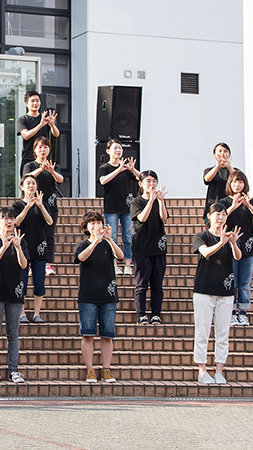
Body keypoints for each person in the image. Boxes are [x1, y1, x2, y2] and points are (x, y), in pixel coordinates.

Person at [192, 203, 242, 384]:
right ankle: (202, 370)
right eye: (217, 214)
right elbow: (205, 253)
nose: (220, 218)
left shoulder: (229, 238)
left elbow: (238, 257)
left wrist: (233, 243)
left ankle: (219, 370)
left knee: (223, 333)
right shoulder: (201, 236)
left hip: (226, 292)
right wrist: (221, 243)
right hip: (204, 290)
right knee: (203, 331)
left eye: (223, 214)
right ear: (209, 216)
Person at [74, 211, 123, 383]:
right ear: (86, 227)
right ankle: (90, 370)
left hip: (108, 295)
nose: (96, 226)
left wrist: (109, 239)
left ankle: (106, 370)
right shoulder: (82, 244)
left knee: (107, 335)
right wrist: (95, 241)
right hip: (88, 295)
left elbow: (121, 256)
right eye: (92, 223)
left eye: (98, 222)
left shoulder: (108, 244)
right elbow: (81, 258)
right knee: (88, 335)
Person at [0, 207, 28, 384]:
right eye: (4, 218)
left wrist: (17, 247)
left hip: (15, 290)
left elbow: (24, 265)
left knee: (13, 333)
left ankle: (13, 371)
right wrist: (4, 247)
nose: (8, 221)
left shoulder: (21, 241)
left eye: (11, 218)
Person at [217, 170, 253, 326]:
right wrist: (233, 206)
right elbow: (218, 220)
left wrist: (248, 204)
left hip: (248, 247)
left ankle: (242, 313)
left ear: (245, 184)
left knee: (244, 282)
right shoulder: (223, 202)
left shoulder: (250, 201)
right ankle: (230, 312)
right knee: (232, 281)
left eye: (241, 182)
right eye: (235, 182)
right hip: (230, 247)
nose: (237, 185)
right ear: (230, 184)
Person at [11, 175, 52, 323]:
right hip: (22, 247)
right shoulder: (17, 205)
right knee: (21, 280)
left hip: (40, 247)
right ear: (22, 187)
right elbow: (16, 222)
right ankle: (22, 313)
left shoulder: (43, 204)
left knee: (39, 281)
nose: (31, 186)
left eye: (33, 183)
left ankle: (36, 313)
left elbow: (50, 221)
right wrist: (27, 206)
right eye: (28, 183)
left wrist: (40, 206)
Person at [130, 170, 169, 324]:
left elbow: (164, 217)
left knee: (157, 283)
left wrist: (160, 201)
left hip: (158, 247)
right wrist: (151, 200)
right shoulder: (136, 202)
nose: (151, 184)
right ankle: (141, 314)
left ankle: (156, 314)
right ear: (141, 183)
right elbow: (142, 218)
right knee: (141, 283)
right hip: (141, 247)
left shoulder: (158, 199)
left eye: (154, 181)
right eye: (148, 181)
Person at [97, 139, 138, 275]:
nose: (118, 151)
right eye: (115, 148)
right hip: (111, 207)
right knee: (112, 237)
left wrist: (133, 170)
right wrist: (118, 170)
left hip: (127, 207)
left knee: (128, 237)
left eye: (120, 148)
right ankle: (114, 264)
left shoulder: (126, 168)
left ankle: (127, 265)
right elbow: (103, 181)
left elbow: (141, 179)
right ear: (108, 151)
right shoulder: (104, 168)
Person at [23, 137, 63, 276]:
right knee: (30, 235)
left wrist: (51, 171)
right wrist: (40, 169)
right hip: (32, 205)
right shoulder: (30, 165)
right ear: (35, 149)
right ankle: (29, 265)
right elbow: (26, 177)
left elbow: (60, 180)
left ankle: (48, 264)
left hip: (50, 206)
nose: (43, 150)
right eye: (40, 147)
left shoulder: (53, 165)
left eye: (45, 147)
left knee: (49, 235)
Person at [16, 91, 59, 176]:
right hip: (29, 157)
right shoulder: (23, 120)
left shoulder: (45, 118)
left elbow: (56, 134)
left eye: (37, 101)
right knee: (28, 184)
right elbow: (26, 136)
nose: (35, 103)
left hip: (45, 159)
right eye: (32, 101)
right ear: (26, 103)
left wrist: (52, 125)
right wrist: (40, 125)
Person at [203, 142, 238, 221]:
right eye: (220, 151)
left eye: (225, 151)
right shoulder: (209, 170)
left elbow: (238, 178)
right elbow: (207, 179)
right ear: (215, 155)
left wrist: (229, 167)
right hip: (213, 207)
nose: (223, 153)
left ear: (229, 154)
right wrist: (217, 166)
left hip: (231, 208)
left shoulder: (234, 170)